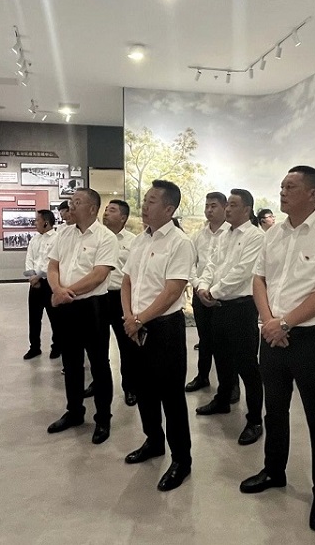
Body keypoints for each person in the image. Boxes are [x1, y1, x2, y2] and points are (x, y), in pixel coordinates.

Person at [240, 166, 315, 533]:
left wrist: (284, 323)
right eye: (282, 186)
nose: (283, 192)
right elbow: (259, 279)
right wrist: (269, 322)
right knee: (275, 410)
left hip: (310, 339)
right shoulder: (272, 234)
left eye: (291, 187)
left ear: (312, 194)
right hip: (272, 335)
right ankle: (274, 471)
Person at [122, 179, 196, 492]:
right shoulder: (140, 240)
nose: (144, 205)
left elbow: (172, 291)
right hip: (135, 325)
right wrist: (130, 318)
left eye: (151, 201)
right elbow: (126, 281)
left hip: (164, 328)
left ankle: (182, 460)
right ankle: (154, 441)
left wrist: (139, 319)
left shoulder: (180, 243)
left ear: (169, 209)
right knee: (144, 390)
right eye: (144, 200)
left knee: (171, 396)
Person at [46, 188, 118, 445]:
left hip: (93, 306)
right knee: (71, 362)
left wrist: (66, 292)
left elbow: (99, 275)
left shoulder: (106, 237)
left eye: (77, 202)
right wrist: (57, 290)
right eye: (71, 201)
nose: (71, 206)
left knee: (99, 364)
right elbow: (53, 266)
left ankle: (103, 418)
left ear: (92, 208)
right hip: (66, 305)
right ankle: (75, 411)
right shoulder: (63, 233)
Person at [195, 188, 265, 445]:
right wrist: (203, 287)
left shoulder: (256, 237)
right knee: (221, 358)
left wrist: (212, 291)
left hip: (242, 308)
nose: (227, 209)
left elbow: (242, 271)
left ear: (246, 209)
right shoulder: (224, 234)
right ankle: (223, 399)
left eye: (233, 205)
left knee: (247, 365)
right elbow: (211, 265)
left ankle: (255, 419)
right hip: (219, 305)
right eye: (228, 205)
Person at [185, 192, 230, 393]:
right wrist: (198, 286)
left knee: (225, 344)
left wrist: (214, 291)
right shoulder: (198, 236)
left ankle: (230, 386)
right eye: (207, 206)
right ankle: (202, 376)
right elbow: (190, 264)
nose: (209, 210)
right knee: (204, 339)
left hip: (223, 296)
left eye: (213, 206)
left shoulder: (231, 233)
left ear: (224, 208)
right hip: (200, 293)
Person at [102, 199, 138, 406]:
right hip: (98, 296)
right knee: (98, 344)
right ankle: (99, 383)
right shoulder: (97, 238)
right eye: (106, 209)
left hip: (121, 298)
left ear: (123, 217)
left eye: (112, 210)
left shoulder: (133, 242)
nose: (106, 213)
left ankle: (130, 386)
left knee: (127, 346)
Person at [23, 209, 61, 360]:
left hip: (50, 283)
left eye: (37, 220)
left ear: (46, 222)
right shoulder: (34, 239)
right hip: (34, 283)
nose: (35, 223)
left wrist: (39, 276)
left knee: (55, 318)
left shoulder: (57, 239)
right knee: (34, 318)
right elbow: (29, 258)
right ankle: (34, 347)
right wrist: (32, 276)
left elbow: (52, 263)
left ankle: (57, 346)